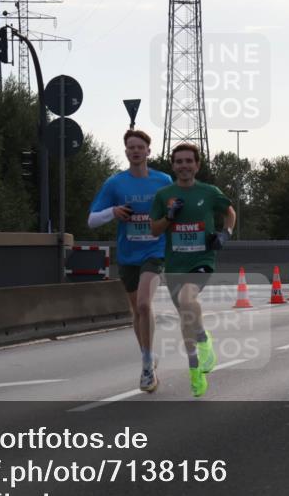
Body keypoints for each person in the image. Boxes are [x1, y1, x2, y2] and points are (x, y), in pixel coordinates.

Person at [88, 129, 173, 393]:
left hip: (155, 251)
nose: (135, 151)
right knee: (136, 311)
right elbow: (91, 220)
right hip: (128, 254)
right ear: (126, 152)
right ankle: (148, 355)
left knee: (145, 305)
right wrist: (113, 212)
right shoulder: (115, 184)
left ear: (148, 151)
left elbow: (175, 211)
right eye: (131, 147)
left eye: (140, 147)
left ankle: (147, 367)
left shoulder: (163, 180)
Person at [151, 143, 236, 398]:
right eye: (179, 161)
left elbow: (229, 213)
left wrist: (225, 234)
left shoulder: (209, 192)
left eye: (189, 161)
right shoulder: (164, 194)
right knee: (186, 317)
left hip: (202, 260)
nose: (184, 165)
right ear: (173, 166)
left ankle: (204, 341)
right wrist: (169, 216)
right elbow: (154, 230)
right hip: (175, 263)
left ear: (197, 165)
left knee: (189, 299)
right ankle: (195, 369)